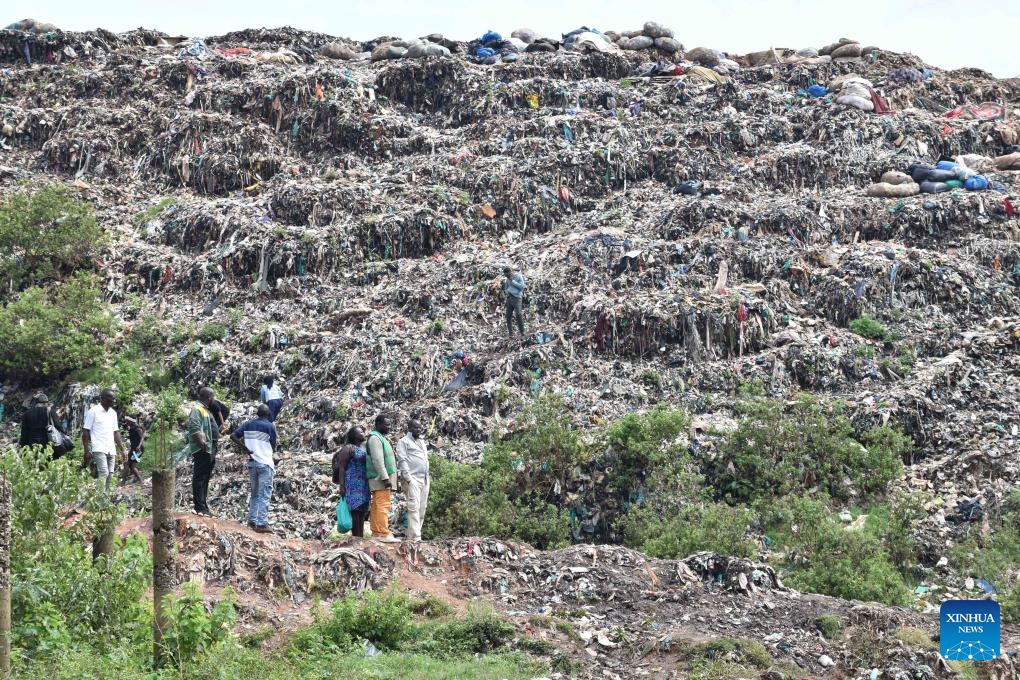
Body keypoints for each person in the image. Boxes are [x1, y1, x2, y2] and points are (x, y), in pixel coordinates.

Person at [231, 404, 277, 534]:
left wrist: (244, 447)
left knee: (255, 493)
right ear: (268, 415)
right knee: (264, 494)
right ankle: (262, 523)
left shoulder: (248, 424)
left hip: (252, 463)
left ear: (257, 413)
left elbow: (233, 436)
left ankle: (251, 520)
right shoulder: (270, 426)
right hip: (265, 463)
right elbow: (273, 445)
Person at [395, 419, 431, 542]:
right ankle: (416, 537)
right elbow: (402, 460)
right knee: (413, 507)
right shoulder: (403, 442)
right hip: (413, 479)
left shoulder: (421, 442)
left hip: (424, 479)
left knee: (422, 508)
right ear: (409, 428)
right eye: (416, 428)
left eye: (420, 428)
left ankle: (414, 535)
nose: (419, 430)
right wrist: (408, 479)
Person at [366, 414, 400, 543]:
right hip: (380, 479)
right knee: (382, 505)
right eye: (386, 424)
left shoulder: (380, 438)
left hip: (380, 478)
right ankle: (382, 533)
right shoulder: (375, 438)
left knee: (377, 504)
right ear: (378, 424)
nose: (389, 427)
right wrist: (386, 478)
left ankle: (376, 532)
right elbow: (378, 459)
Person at [332, 426, 370, 538]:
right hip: (352, 484)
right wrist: (342, 486)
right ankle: (355, 538)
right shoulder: (348, 448)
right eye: (361, 432)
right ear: (354, 436)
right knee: (354, 511)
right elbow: (342, 467)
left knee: (362, 511)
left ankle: (360, 537)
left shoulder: (362, 448)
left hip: (363, 484)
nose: (364, 433)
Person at [82, 389, 125, 490]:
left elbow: (116, 433)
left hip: (111, 448)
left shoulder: (113, 413)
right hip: (99, 447)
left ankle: (106, 498)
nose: (114, 401)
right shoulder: (93, 412)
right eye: (112, 398)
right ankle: (99, 498)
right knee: (104, 472)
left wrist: (123, 450)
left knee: (110, 474)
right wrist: (86, 451)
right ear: (104, 399)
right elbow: (85, 432)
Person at [187, 387, 217, 515]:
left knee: (205, 477)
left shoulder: (205, 409)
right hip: (203, 449)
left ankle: (203, 506)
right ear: (208, 397)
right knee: (200, 477)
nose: (214, 399)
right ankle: (199, 507)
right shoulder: (196, 409)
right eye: (213, 397)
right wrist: (203, 445)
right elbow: (194, 428)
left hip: (210, 448)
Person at [121, 416, 145, 484]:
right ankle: (140, 481)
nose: (126, 422)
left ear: (131, 421)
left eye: (127, 421)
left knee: (130, 465)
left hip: (138, 450)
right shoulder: (131, 429)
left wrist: (138, 446)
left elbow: (142, 437)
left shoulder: (137, 429)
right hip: (133, 449)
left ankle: (124, 482)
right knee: (129, 465)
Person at [503, 266, 526, 337]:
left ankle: (522, 332)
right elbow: (505, 288)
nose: (508, 276)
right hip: (510, 298)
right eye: (506, 275)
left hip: (517, 298)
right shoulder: (507, 280)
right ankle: (511, 333)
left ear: (512, 272)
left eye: (509, 275)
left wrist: (512, 281)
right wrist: (507, 292)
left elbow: (522, 286)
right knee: (508, 315)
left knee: (518, 314)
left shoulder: (518, 277)